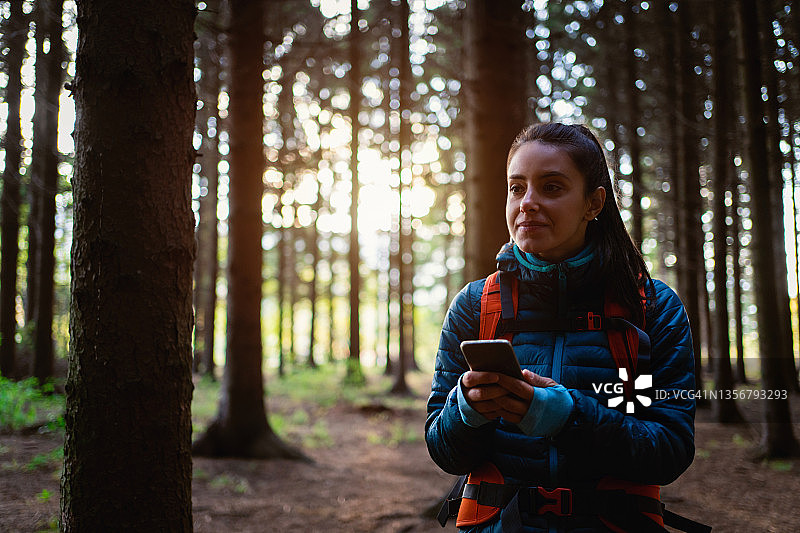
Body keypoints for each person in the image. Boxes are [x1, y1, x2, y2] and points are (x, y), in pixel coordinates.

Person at [426, 122, 697, 532]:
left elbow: (670, 452)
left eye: (551, 187)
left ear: (593, 203)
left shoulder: (652, 307)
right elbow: (444, 452)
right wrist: (466, 409)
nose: (527, 203)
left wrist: (568, 417)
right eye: (517, 187)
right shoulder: (475, 305)